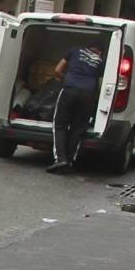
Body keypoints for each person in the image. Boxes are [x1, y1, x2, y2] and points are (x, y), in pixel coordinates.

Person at [47, 35, 108, 174]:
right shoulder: (100, 62)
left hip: (69, 89)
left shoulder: (74, 51)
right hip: (87, 94)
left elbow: (57, 70)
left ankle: (60, 159)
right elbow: (101, 82)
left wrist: (66, 80)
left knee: (60, 124)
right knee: (78, 128)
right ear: (100, 52)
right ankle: (69, 161)